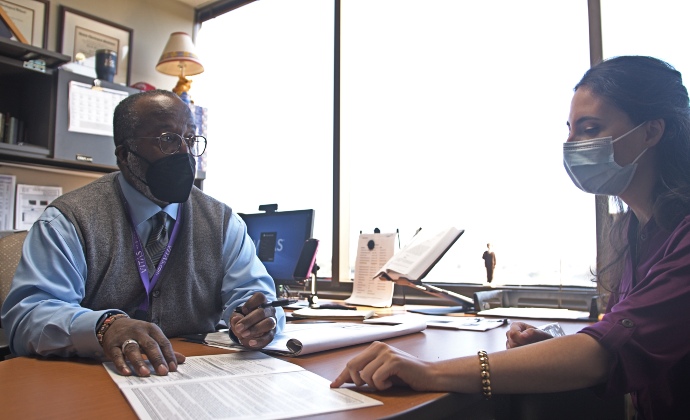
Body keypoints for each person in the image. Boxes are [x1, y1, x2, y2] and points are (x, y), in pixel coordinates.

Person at [331, 56, 690, 419]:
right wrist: (556, 348)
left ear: (652, 131)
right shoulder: (635, 228)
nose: (571, 143)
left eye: (590, 128)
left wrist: (429, 371)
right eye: (570, 129)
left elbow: (605, 354)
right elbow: (625, 335)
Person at [1, 89, 284, 377]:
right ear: (125, 155)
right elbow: (27, 317)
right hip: (94, 380)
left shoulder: (222, 222)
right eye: (168, 140)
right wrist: (103, 327)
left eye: (190, 139)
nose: (185, 153)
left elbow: (255, 295)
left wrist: (256, 319)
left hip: (194, 375)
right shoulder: (69, 220)